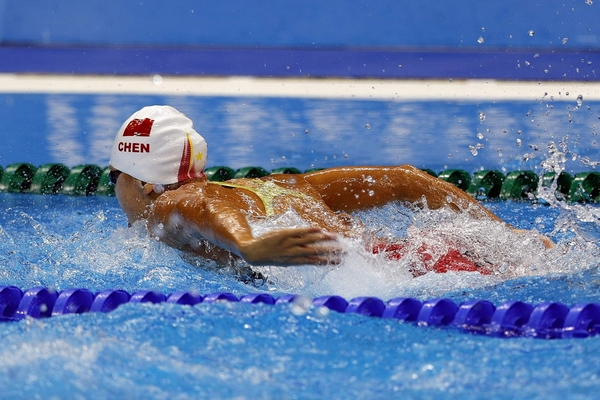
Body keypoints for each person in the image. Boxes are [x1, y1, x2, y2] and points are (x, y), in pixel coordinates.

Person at [109, 105, 552, 277]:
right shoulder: (271, 187)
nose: (116, 192)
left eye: (116, 178)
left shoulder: (162, 207)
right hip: (417, 259)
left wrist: (250, 245)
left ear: (144, 183)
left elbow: (197, 206)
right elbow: (406, 179)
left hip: (408, 280)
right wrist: (509, 237)